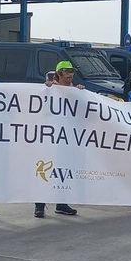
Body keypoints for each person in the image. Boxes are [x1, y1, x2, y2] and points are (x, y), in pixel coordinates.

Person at [35, 60, 82, 218]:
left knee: (63, 170)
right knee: (44, 172)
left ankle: (61, 203)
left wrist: (80, 93)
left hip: (66, 137)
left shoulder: (73, 90)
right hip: (49, 137)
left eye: (72, 72)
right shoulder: (49, 88)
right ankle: (39, 205)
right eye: (67, 72)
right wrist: (46, 89)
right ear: (59, 73)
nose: (71, 75)